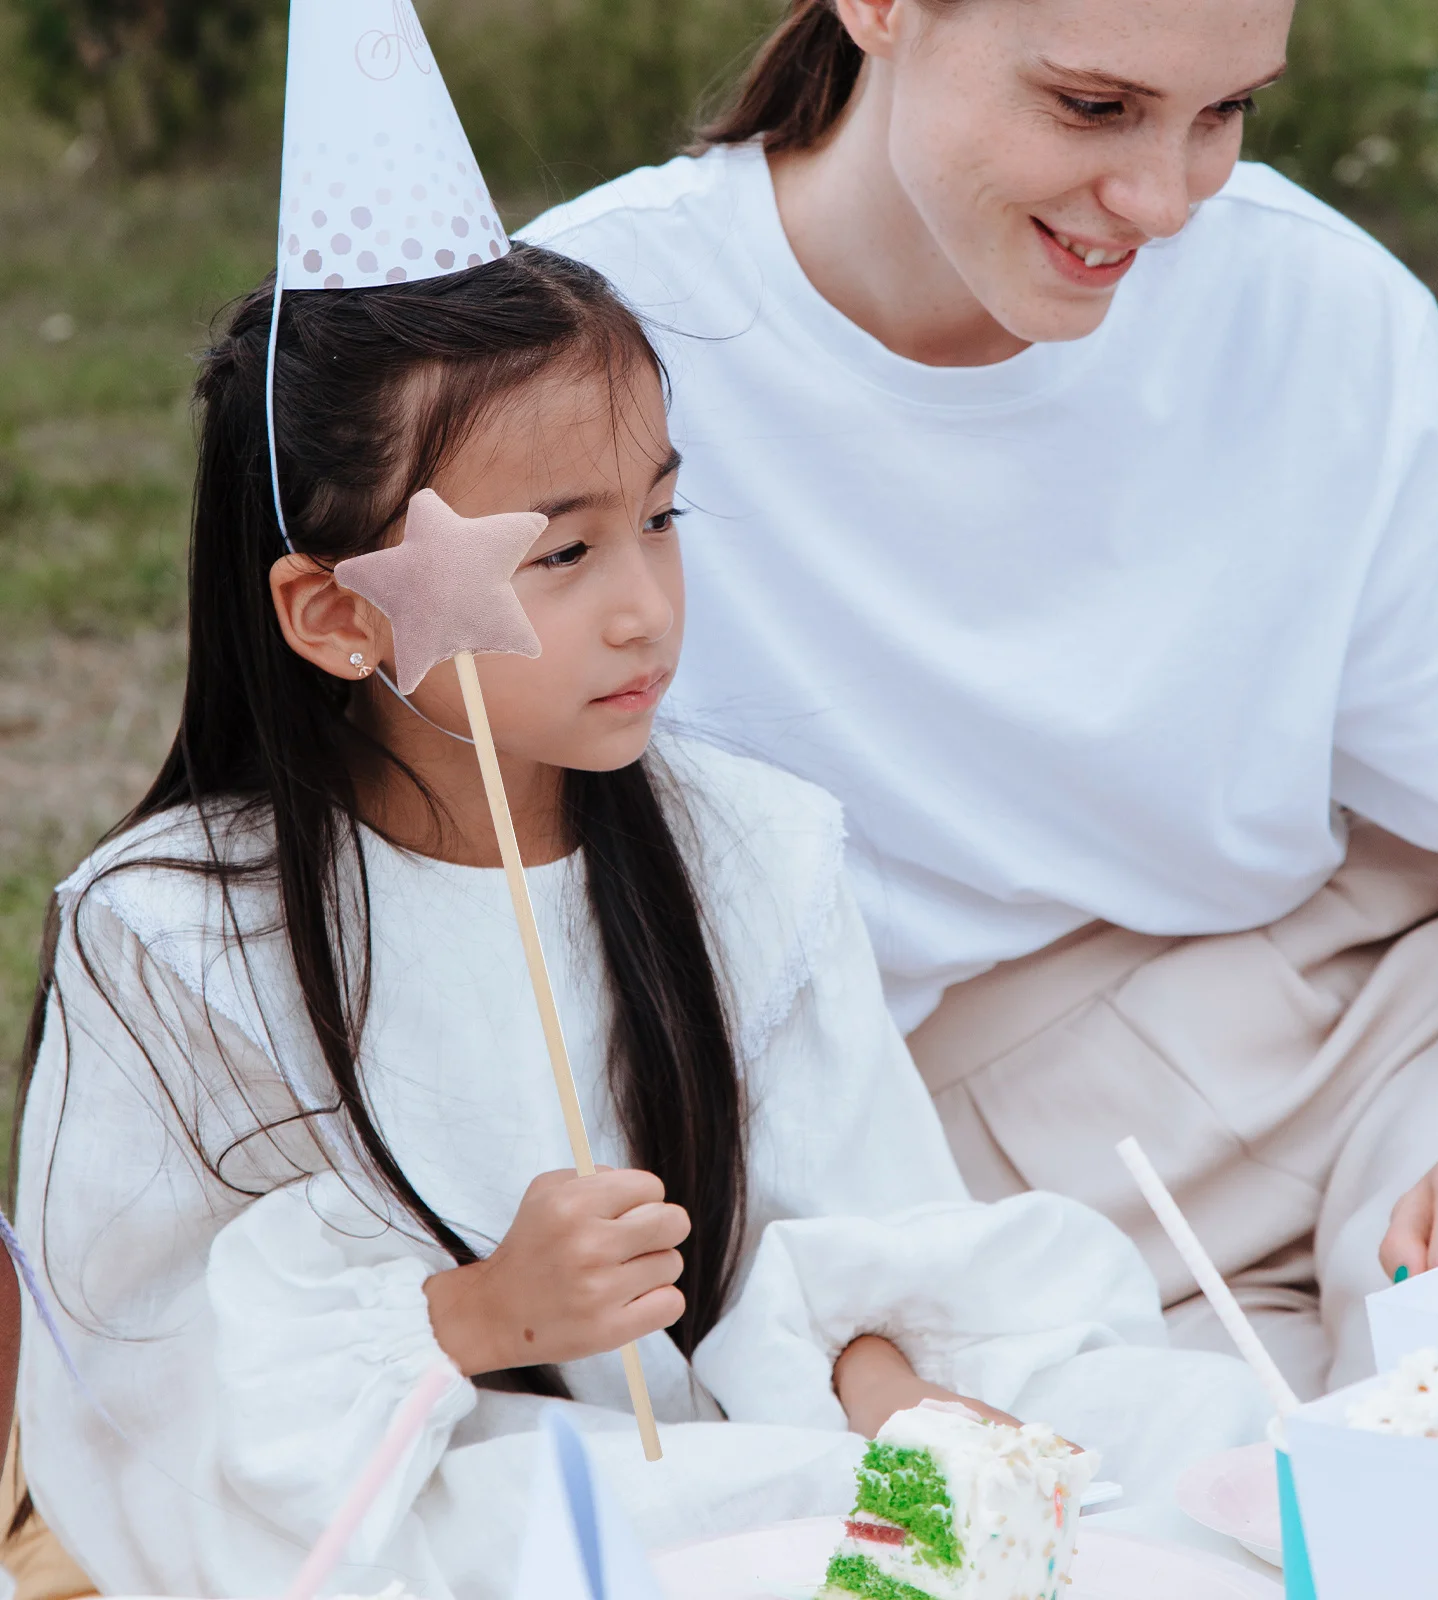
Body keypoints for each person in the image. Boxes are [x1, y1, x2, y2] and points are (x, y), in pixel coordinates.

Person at [13, 245, 1266, 1599]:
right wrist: (479, 1315)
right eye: (561, 552)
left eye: (659, 521)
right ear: (336, 616)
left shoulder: (752, 853)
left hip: (750, 1463)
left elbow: (847, 1231)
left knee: (1161, 1471)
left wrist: (905, 1407)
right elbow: (144, 1394)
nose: (644, 610)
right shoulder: (175, 939)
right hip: (430, 1518)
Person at [518, 0, 1438, 1399]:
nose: (1161, 202)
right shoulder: (573, 344)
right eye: (1093, 106)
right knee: (1177, 1511)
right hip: (913, 1178)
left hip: (1367, 1044)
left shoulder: (1323, 309)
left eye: (1225, 113)